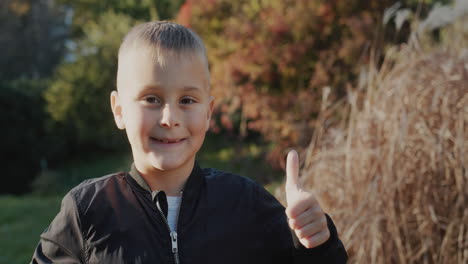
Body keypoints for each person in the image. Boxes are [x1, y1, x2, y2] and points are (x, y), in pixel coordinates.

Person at [31, 21, 347, 264]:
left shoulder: (246, 203)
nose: (170, 117)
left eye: (187, 99)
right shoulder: (87, 210)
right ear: (119, 110)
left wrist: (316, 240)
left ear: (208, 112)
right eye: (151, 98)